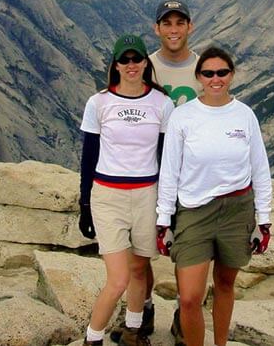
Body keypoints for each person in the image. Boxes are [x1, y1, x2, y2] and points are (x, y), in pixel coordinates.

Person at [156, 46, 273, 346]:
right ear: (199, 78)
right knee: (191, 297)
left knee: (224, 283)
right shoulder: (183, 117)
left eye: (222, 72)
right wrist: (164, 221)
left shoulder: (245, 115)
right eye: (208, 73)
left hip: (237, 209)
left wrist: (265, 220)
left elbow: (260, 168)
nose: (215, 78)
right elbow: (169, 171)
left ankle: (220, 343)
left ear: (231, 75)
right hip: (195, 211)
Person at [110, 0, 198, 345]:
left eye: (180, 23)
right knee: (140, 249)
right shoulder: (146, 67)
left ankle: (183, 315)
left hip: (191, 175)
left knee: (187, 249)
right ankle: (142, 311)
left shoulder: (203, 67)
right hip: (149, 172)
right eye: (167, 23)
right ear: (157, 29)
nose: (173, 30)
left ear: (189, 27)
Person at [79, 34, 175, 346]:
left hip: (148, 194)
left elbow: (166, 157)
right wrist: (84, 204)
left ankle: (134, 331)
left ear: (146, 63)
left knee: (139, 267)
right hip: (108, 196)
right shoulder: (99, 102)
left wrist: (168, 206)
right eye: (125, 59)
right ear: (116, 65)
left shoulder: (162, 103)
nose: (131, 65)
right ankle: (92, 338)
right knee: (118, 278)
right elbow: (88, 157)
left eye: (137, 59)